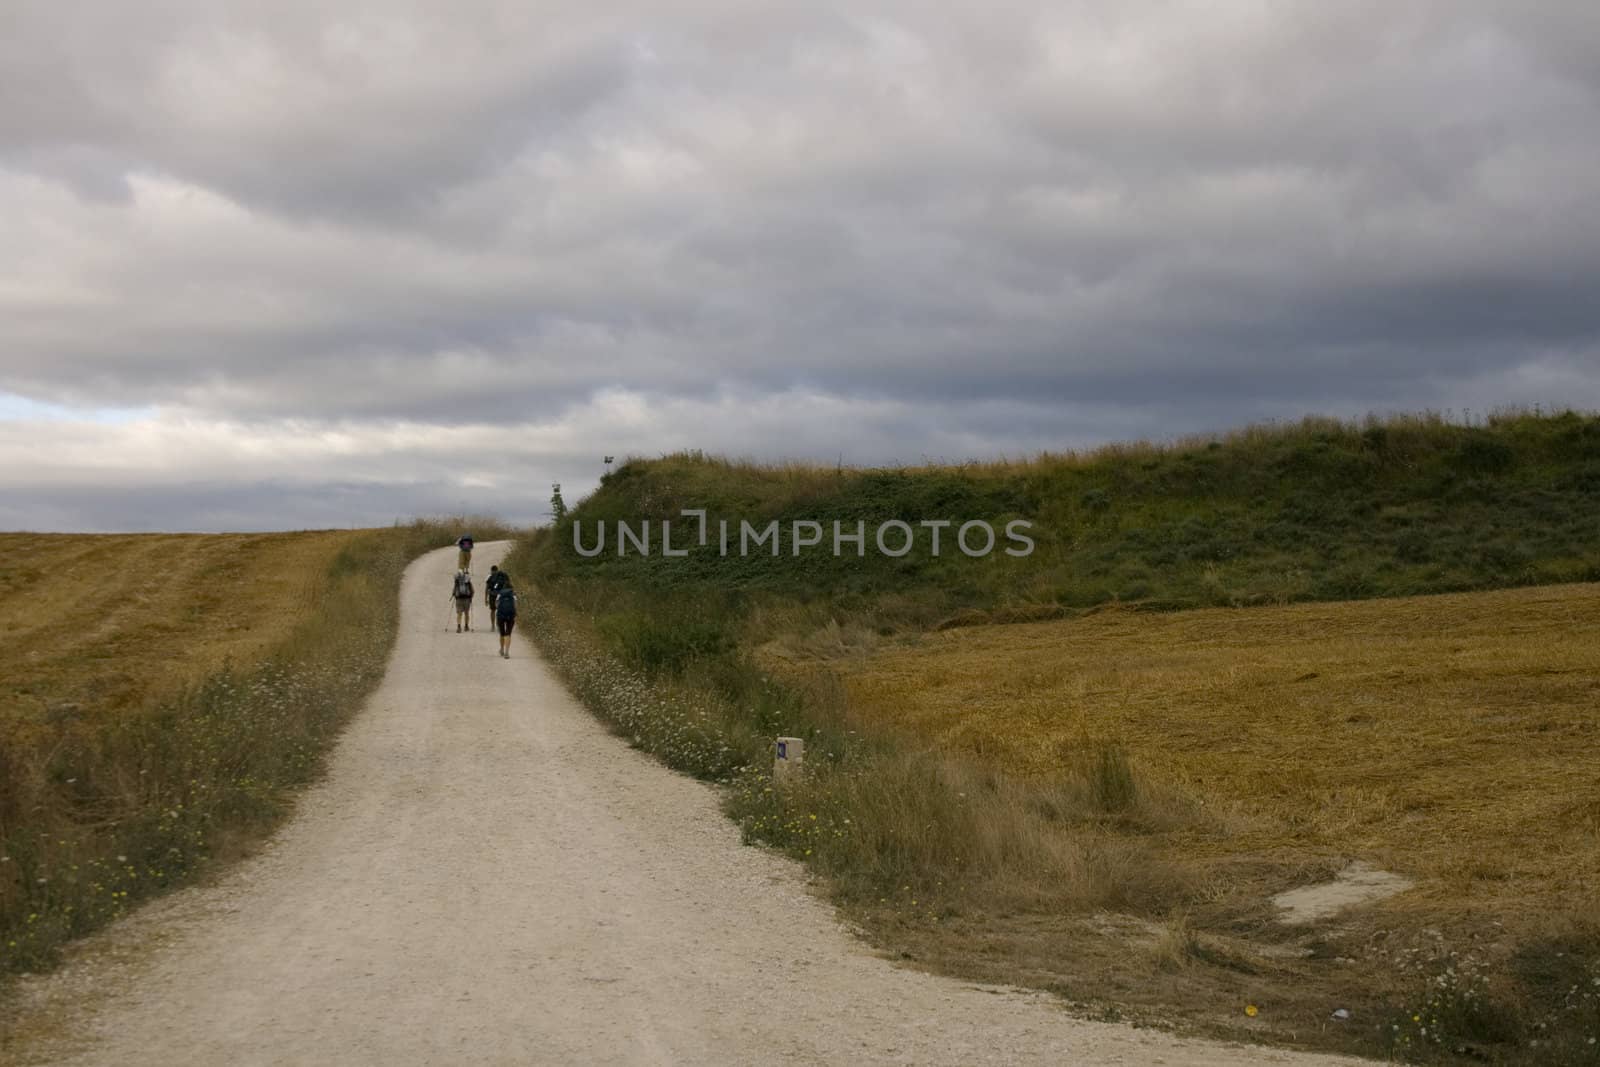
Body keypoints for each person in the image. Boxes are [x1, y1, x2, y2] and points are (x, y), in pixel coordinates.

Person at [494, 578, 518, 658]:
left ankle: (501, 649)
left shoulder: (500, 593)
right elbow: (515, 605)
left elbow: (496, 604)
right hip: (510, 615)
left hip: (501, 615)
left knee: (502, 633)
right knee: (508, 633)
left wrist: (500, 610)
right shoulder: (513, 594)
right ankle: (507, 652)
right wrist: (515, 613)